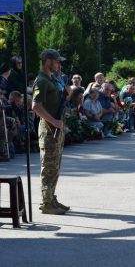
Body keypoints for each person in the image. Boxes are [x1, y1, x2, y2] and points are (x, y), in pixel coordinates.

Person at [32, 49, 69, 215]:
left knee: (55, 165)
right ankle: (46, 203)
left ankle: (51, 197)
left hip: (56, 127)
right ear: (47, 61)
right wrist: (53, 121)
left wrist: (60, 77)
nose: (58, 64)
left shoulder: (52, 79)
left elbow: (65, 94)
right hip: (48, 128)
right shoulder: (41, 80)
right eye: (56, 61)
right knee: (48, 166)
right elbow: (36, 107)